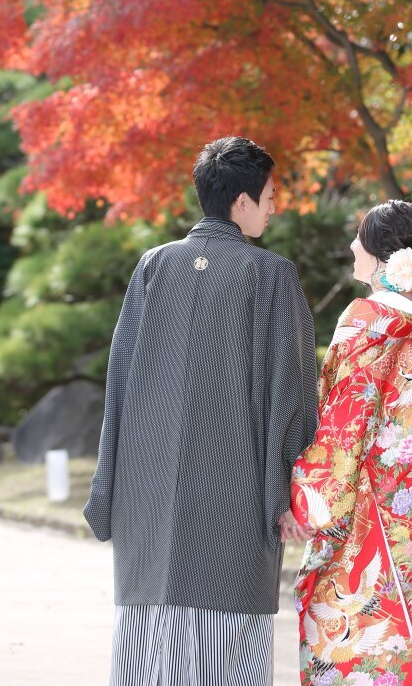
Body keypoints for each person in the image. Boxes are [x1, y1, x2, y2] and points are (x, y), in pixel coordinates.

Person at [84, 136, 318, 686]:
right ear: (242, 202)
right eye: (270, 194)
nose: (275, 205)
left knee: (149, 646)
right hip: (231, 495)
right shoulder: (269, 274)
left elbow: (119, 379)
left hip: (146, 492)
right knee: (224, 647)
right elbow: (293, 389)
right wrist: (295, 486)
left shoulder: (153, 265)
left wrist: (109, 483)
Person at [291, 199, 412, 686]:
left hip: (377, 512)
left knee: (361, 643)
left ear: (383, 256)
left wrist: (306, 500)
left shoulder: (369, 322)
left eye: (360, 237)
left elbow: (345, 425)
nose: (352, 246)